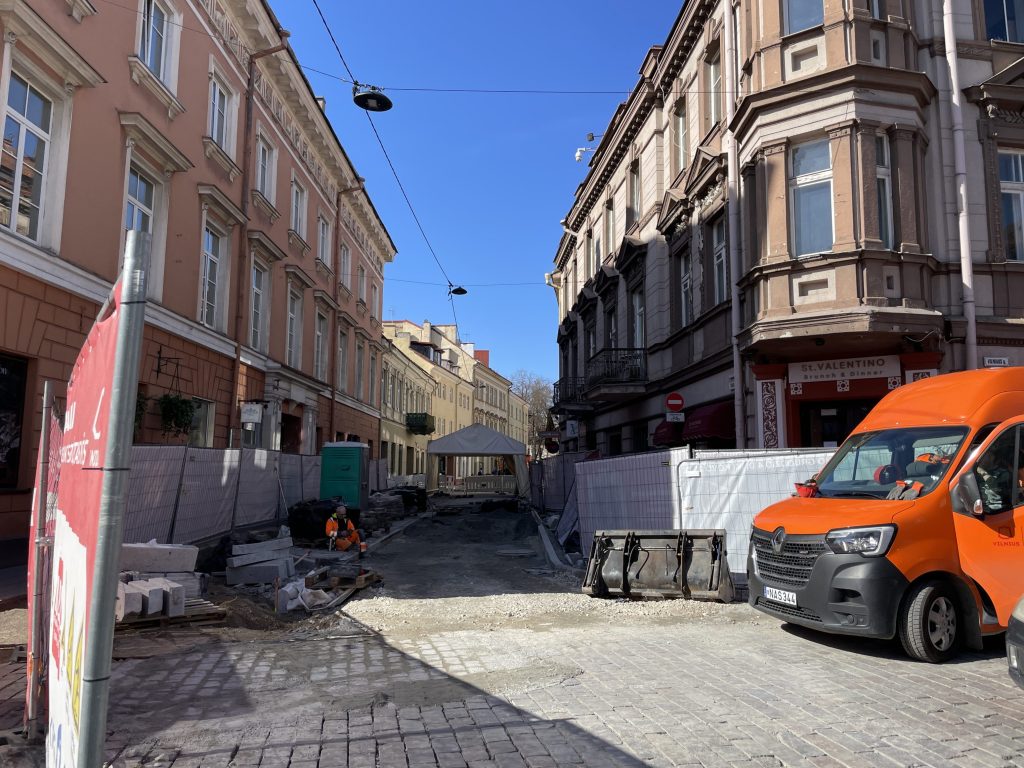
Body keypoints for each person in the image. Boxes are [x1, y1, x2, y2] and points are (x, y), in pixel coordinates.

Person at [977, 447, 1013, 513]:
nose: (980, 460)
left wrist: (982, 471)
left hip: (996, 510)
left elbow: (993, 484)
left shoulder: (1003, 473)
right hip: (981, 508)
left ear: (992, 457)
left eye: (983, 456)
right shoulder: (977, 472)